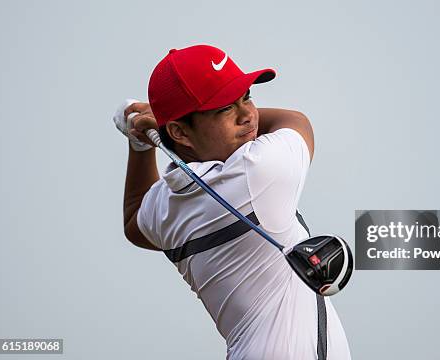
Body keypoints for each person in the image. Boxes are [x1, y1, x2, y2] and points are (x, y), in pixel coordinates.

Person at [113, 44, 351, 360]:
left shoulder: (166, 203)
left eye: (247, 97)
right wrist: (157, 124)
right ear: (179, 132)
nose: (247, 115)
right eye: (225, 108)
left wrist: (140, 145)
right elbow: (296, 121)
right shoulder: (259, 170)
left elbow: (134, 220)